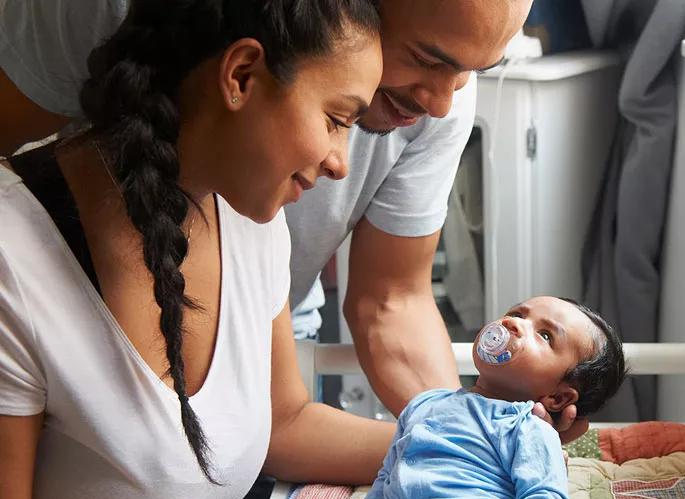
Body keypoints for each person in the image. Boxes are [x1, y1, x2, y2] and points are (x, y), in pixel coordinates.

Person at [0, 0, 592, 441]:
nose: (442, 103)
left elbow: (389, 300)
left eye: (474, 72)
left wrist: (469, 437)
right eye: (428, 60)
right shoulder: (100, 14)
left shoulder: (257, 243)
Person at [0, 1, 394, 499]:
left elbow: (286, 423)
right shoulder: (14, 255)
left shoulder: (254, 217)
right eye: (335, 120)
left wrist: (463, 438)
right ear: (241, 75)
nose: (340, 161)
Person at [320, 296, 627, 499]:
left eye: (545, 335)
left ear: (558, 397)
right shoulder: (423, 404)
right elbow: (390, 472)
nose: (513, 323)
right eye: (518, 313)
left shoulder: (527, 428)